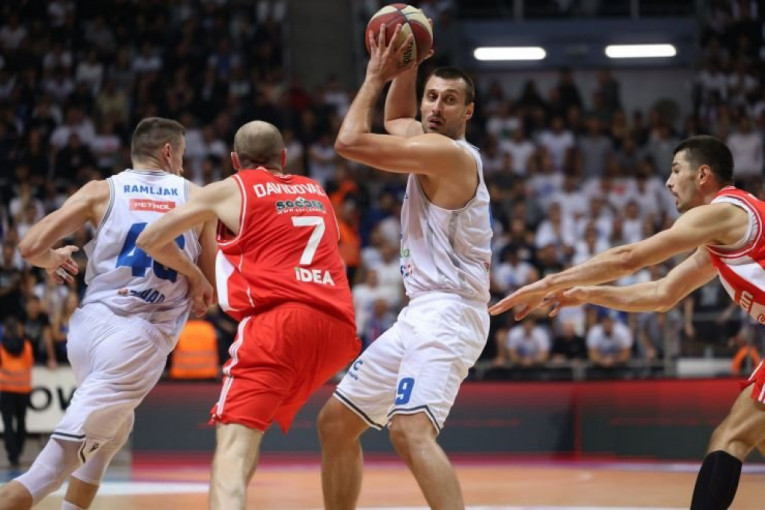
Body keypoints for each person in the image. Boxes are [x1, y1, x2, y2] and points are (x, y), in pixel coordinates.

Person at [489, 135, 762, 510]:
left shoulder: (723, 211)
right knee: (750, 436)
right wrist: (589, 293)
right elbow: (663, 293)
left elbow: (630, 258)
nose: (668, 181)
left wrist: (549, 282)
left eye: (675, 170)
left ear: (702, 175)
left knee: (731, 437)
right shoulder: (723, 235)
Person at [136, 120, 360, 510]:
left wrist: (196, 277)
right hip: (338, 328)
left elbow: (149, 238)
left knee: (232, 448)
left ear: (235, 161)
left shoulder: (231, 188)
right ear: (283, 158)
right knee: (253, 429)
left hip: (280, 323)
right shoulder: (316, 191)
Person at [0, 117, 217, 510]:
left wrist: (53, 259)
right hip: (137, 337)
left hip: (87, 330)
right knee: (45, 474)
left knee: (115, 430)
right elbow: (210, 289)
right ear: (169, 152)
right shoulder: (199, 198)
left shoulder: (100, 190)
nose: (183, 165)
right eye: (183, 156)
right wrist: (198, 281)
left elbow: (29, 248)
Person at [317, 25, 492, 510]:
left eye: (450, 100)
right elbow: (397, 117)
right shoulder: (426, 141)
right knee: (335, 424)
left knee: (409, 430)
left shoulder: (448, 154)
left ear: (468, 112)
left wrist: (377, 74)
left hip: (450, 312)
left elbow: (349, 141)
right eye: (431, 96)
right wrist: (409, 65)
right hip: (421, 313)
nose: (435, 106)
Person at [0, 317, 33, 468]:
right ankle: (18, 450)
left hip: (6, 389)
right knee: (21, 422)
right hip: (23, 389)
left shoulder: (1, 346)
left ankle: (12, 454)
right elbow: (30, 362)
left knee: (8, 424)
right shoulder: (26, 345)